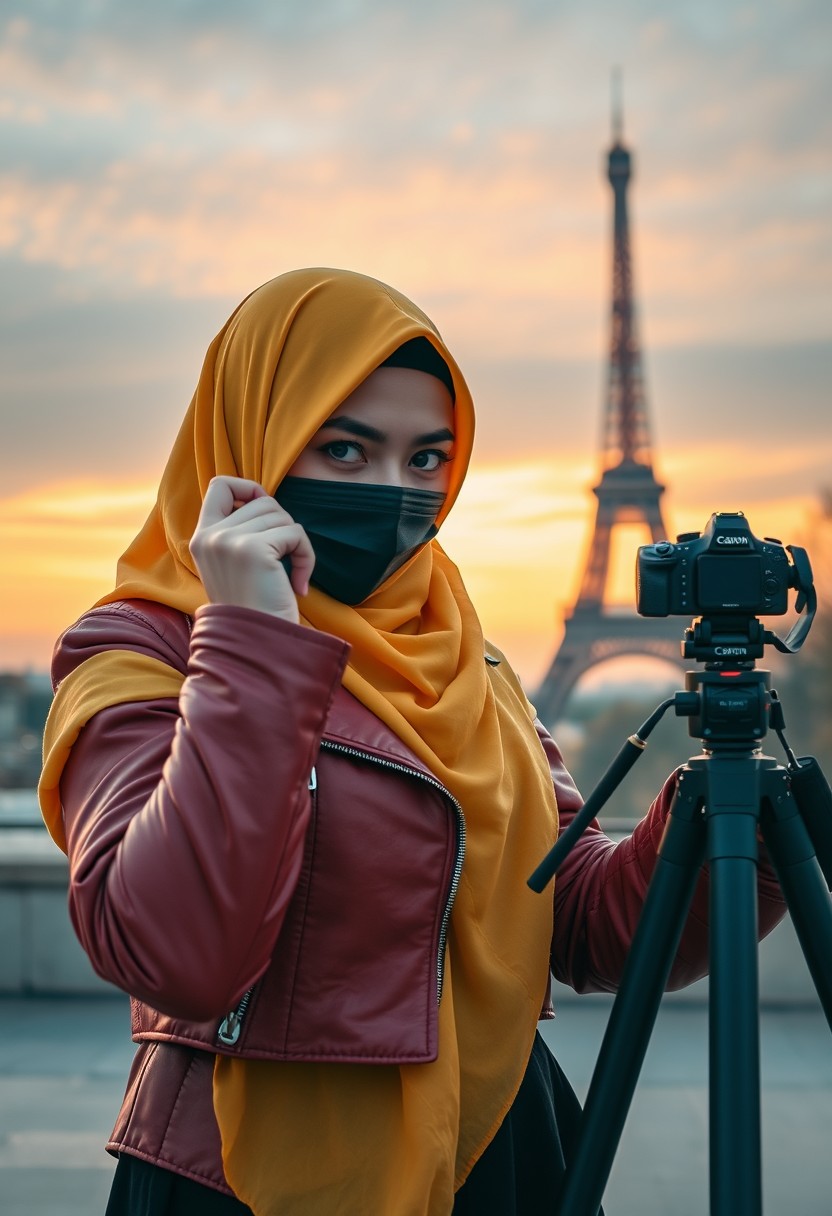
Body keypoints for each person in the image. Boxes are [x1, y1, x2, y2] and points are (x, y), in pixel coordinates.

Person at [39, 268, 786, 1216]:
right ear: (251, 440)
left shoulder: (469, 664)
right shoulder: (141, 651)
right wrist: (256, 647)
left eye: (427, 458)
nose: (395, 490)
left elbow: (582, 919)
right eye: (345, 450)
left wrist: (722, 822)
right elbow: (176, 954)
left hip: (498, 1153)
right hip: (238, 1178)